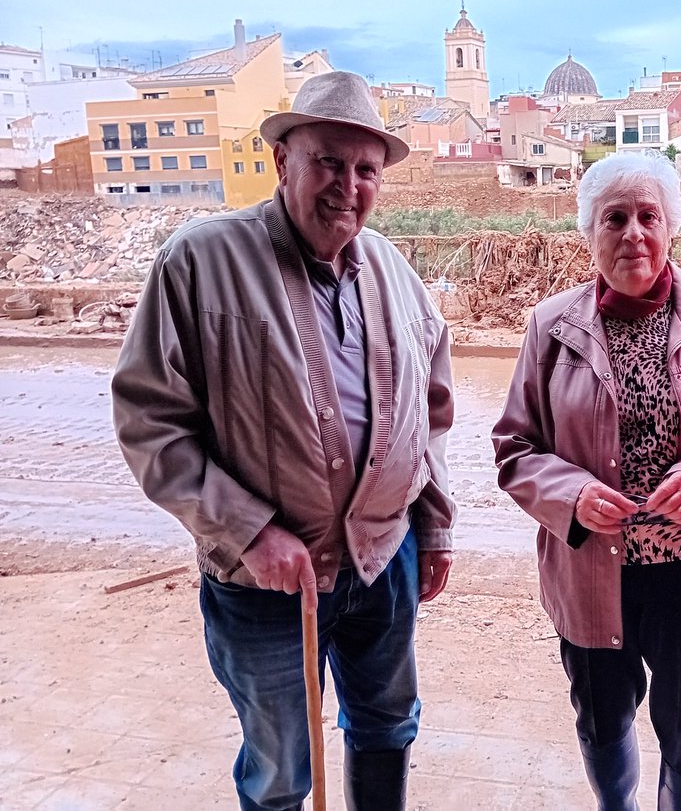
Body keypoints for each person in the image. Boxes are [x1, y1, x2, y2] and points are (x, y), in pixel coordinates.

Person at [112, 71, 456, 811]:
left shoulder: (396, 274)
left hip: (382, 562)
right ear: (282, 162)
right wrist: (249, 532)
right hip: (265, 580)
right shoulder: (200, 262)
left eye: (366, 170)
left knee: (388, 726)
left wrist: (434, 528)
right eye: (329, 161)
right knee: (280, 769)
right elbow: (150, 420)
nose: (348, 186)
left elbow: (428, 415)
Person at [492, 151, 681, 811]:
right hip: (592, 571)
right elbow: (515, 448)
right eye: (613, 218)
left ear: (671, 225)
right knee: (602, 726)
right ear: (587, 231)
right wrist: (570, 494)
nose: (632, 234)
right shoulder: (550, 326)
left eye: (648, 216)